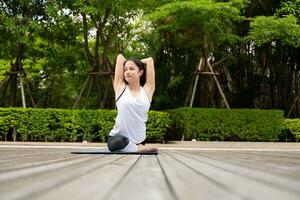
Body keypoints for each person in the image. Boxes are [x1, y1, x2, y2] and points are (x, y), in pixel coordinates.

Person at [107, 54, 158, 153]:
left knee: (120, 145)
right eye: (125, 69)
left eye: (131, 69)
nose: (127, 72)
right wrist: (131, 61)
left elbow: (150, 60)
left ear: (140, 72)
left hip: (139, 140)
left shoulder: (148, 90)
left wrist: (138, 62)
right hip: (119, 138)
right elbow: (120, 57)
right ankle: (137, 148)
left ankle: (135, 147)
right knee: (116, 143)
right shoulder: (120, 88)